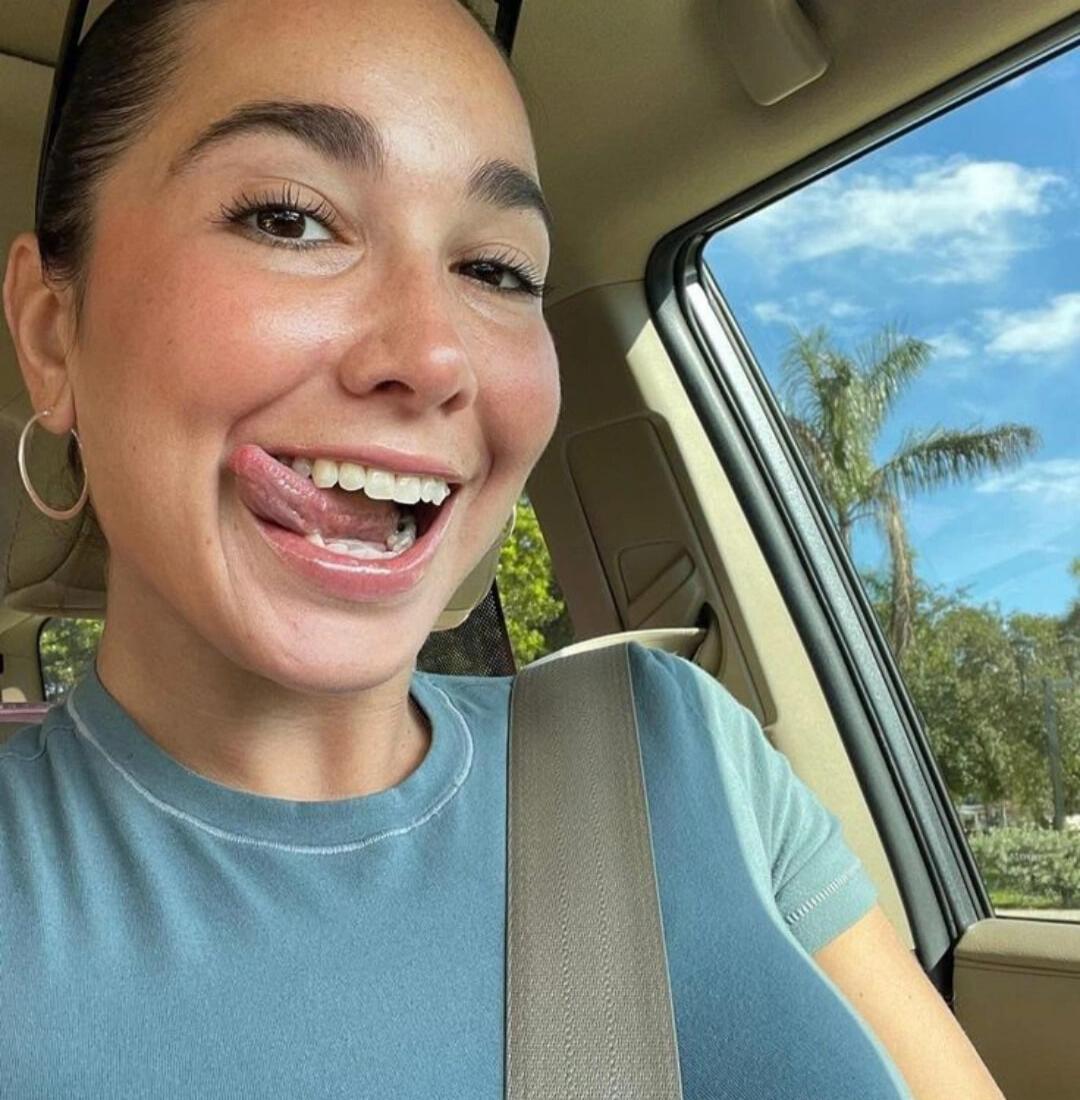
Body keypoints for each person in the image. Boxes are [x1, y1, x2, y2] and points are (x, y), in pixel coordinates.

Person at [0, 1, 1004, 1096]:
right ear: (51, 335)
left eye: (497, 270)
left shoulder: (675, 750)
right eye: (290, 219)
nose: (434, 355)